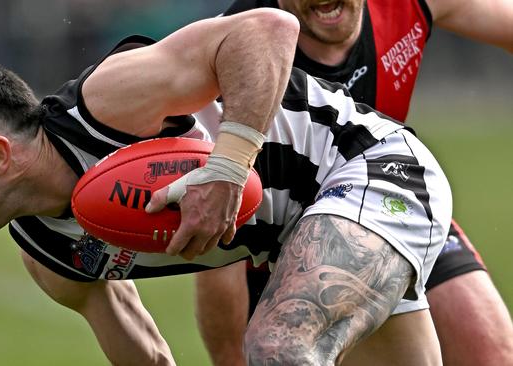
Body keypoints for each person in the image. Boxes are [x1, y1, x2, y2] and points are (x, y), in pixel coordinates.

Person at [0, 9, 453, 365]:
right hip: (304, 236)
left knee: (278, 347)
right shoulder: (49, 256)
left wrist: (229, 168)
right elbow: (147, 358)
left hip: (369, 167)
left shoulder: (107, 103)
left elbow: (269, 28)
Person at [194, 1, 513, 365]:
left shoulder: (407, 5)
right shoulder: (235, 47)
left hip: (393, 203)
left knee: (491, 351)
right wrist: (228, 357)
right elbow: (219, 233)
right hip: (288, 253)